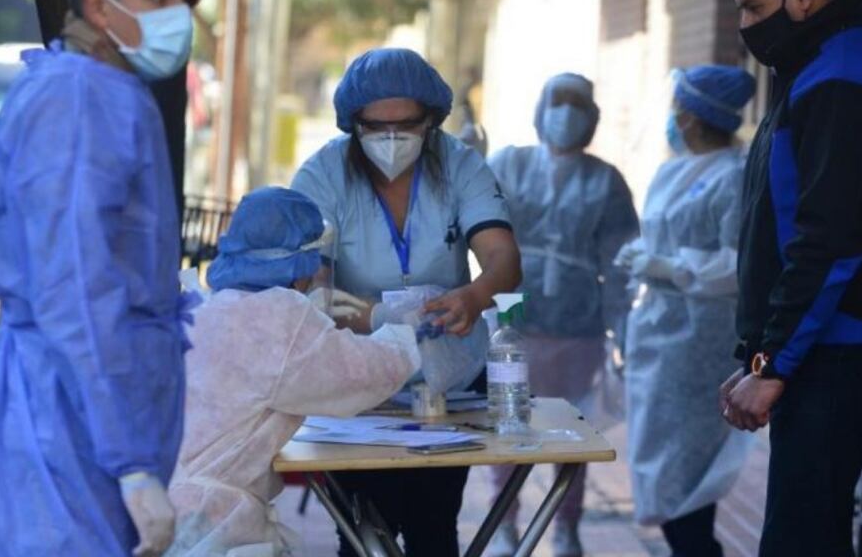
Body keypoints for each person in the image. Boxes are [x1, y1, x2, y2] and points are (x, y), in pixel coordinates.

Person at [0, 0, 202, 556]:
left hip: (83, 429)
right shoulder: (77, 100)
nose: (178, 15)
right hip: (71, 434)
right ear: (99, 5)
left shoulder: (104, 93)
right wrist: (130, 463)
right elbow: (74, 289)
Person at [723, 0, 862, 556]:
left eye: (753, 6)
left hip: (842, 348)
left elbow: (830, 238)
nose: (745, 24)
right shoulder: (816, 66)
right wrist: (760, 353)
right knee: (808, 528)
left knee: (799, 537)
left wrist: (774, 362)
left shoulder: (842, 74)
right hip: (820, 345)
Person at [291, 47, 521, 556]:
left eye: (408, 125)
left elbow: (503, 257)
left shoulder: (461, 165)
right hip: (356, 377)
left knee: (433, 527)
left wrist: (476, 295)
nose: (392, 139)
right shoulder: (322, 175)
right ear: (353, 123)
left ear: (433, 121)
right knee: (361, 533)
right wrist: (371, 315)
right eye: (376, 127)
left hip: (451, 380)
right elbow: (311, 288)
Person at [166, 187, 421, 556]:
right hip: (208, 527)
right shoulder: (279, 319)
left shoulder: (197, 310)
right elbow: (363, 375)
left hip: (150, 510)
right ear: (300, 265)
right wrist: (410, 328)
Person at [485, 72, 639, 557]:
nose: (566, 114)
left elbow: (620, 265)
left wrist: (623, 332)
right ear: (539, 109)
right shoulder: (507, 163)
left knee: (573, 432)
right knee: (509, 425)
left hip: (578, 325)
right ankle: (504, 524)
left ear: (592, 117)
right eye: (559, 101)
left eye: (577, 104)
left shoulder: (605, 181)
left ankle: (566, 527)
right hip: (513, 315)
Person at [617, 65, 757, 557]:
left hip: (701, 338)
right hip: (657, 329)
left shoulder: (735, 174)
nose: (673, 119)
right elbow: (663, 237)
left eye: (679, 109)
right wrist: (643, 259)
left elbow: (740, 263)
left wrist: (673, 268)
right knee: (659, 459)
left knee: (687, 467)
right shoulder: (673, 169)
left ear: (694, 118)